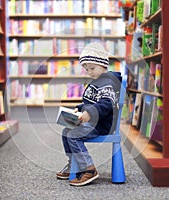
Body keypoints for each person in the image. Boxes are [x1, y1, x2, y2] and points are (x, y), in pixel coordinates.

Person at [56, 42, 122, 186]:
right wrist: (79, 109)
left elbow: (106, 104)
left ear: (103, 64)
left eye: (92, 68)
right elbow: (90, 103)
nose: (89, 72)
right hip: (93, 122)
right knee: (66, 132)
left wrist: (89, 113)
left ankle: (89, 169)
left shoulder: (107, 82)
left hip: (102, 125)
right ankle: (73, 163)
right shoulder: (97, 81)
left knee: (73, 135)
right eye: (86, 69)